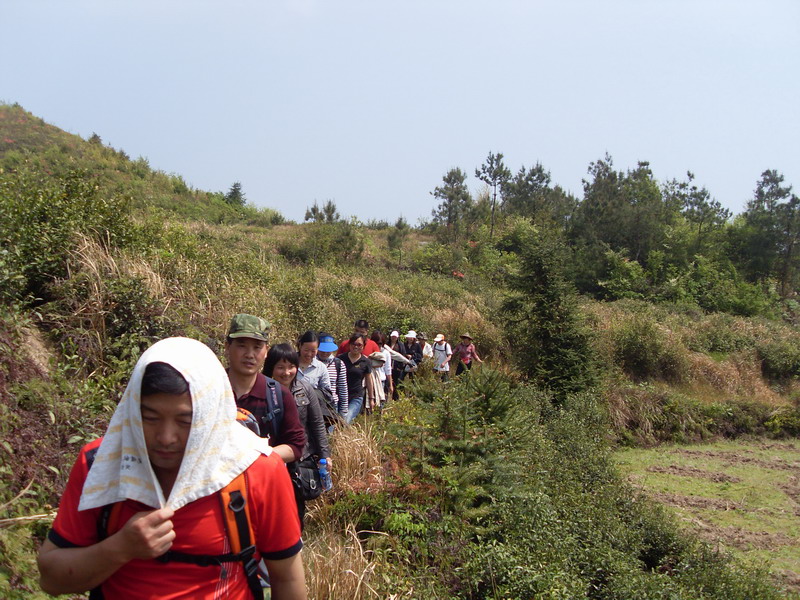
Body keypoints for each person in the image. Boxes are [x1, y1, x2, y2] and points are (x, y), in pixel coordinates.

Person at [37, 337, 306, 599]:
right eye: (150, 418)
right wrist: (120, 548)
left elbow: (287, 577)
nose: (166, 437)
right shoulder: (102, 463)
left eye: (185, 420)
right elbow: (51, 579)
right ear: (131, 412)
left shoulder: (257, 470)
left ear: (210, 414)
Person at [264, 344, 331, 527]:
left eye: (291, 366)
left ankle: (295, 544)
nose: (286, 372)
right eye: (280, 367)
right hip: (270, 459)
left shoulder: (305, 389)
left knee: (296, 507)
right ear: (271, 367)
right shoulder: (262, 391)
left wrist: (325, 455)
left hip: (301, 458)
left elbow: (317, 424)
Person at [225, 314, 305, 463]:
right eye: (242, 345)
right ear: (227, 347)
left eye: (257, 347)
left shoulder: (278, 395)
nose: (250, 355)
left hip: (262, 483)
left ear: (266, 351)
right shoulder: (211, 390)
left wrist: (256, 458)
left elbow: (296, 446)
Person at [296, 330, 335, 416]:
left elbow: (327, 393)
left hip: (313, 412)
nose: (309, 354)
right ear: (300, 346)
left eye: (313, 351)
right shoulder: (289, 363)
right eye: (306, 350)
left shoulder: (321, 368)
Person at [341, 333, 374, 424]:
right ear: (349, 345)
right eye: (353, 344)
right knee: (336, 421)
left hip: (356, 396)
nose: (356, 347)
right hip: (340, 395)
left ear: (363, 346)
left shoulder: (366, 362)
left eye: (359, 345)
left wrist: (371, 399)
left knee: (346, 419)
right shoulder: (341, 359)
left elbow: (369, 381)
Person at [317, 332, 348, 420]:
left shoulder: (338, 364)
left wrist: (344, 411)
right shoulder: (311, 362)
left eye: (328, 350)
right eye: (322, 350)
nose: (325, 353)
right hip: (315, 405)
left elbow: (343, 388)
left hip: (332, 406)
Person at [369, 330, 393, 401]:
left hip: (381, 380)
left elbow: (388, 370)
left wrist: (390, 385)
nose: (378, 345)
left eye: (380, 343)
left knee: (380, 401)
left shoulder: (386, 353)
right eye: (376, 343)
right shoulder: (369, 352)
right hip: (369, 379)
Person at [387, 330, 407, 400]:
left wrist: (401, 366)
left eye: (395, 337)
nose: (393, 338)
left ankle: (395, 397)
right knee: (388, 382)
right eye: (392, 336)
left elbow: (402, 355)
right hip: (388, 366)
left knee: (396, 382)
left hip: (397, 367)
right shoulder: (387, 344)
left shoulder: (400, 345)